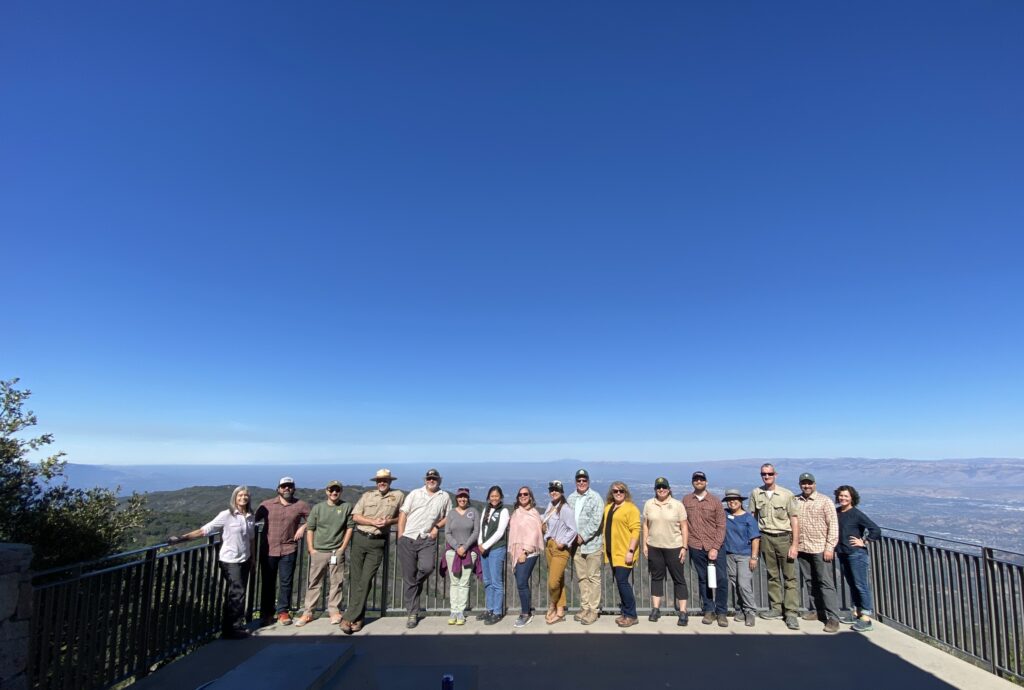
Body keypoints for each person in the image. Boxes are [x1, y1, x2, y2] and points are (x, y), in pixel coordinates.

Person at [169, 486, 255, 639]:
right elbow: (205, 530)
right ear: (234, 498)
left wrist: (253, 558)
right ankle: (231, 629)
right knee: (237, 593)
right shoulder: (227, 515)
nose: (243, 498)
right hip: (230, 560)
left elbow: (251, 539)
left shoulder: (250, 516)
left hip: (245, 559)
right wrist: (182, 538)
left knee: (237, 593)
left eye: (246, 495)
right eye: (240, 495)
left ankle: (233, 626)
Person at [341, 468, 405, 634]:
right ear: (376, 482)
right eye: (379, 480)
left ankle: (348, 617)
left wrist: (389, 521)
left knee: (366, 579)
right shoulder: (367, 495)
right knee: (355, 580)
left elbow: (404, 516)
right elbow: (355, 516)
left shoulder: (398, 496)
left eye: (385, 480)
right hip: (360, 538)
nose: (382, 483)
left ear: (390, 481)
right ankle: (359, 618)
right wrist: (372, 522)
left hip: (378, 542)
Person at [748, 463, 802, 630]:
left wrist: (794, 544)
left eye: (770, 473)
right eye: (764, 474)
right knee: (772, 575)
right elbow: (752, 517)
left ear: (775, 474)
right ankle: (776, 608)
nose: (767, 476)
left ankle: (791, 613)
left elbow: (794, 520)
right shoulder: (756, 493)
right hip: (765, 538)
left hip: (783, 538)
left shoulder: (786, 494)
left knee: (789, 577)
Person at [397, 468, 452, 628]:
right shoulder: (414, 494)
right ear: (425, 480)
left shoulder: (445, 496)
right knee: (408, 576)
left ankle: (413, 584)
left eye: (434, 478)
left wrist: (436, 527)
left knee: (427, 567)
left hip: (427, 538)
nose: (431, 480)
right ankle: (412, 613)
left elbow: (448, 516)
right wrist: (400, 535)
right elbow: (403, 513)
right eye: (429, 478)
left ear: (439, 480)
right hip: (408, 538)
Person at [295, 480, 354, 627]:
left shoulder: (346, 507)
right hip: (319, 551)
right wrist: (311, 549)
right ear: (326, 491)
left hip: (336, 551)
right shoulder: (318, 508)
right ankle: (308, 613)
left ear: (340, 491)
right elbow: (310, 528)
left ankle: (334, 612)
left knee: (337, 582)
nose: (334, 493)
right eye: (331, 490)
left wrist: (342, 547)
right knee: (314, 582)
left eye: (337, 490)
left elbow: (350, 528)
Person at [255, 476, 310, 626]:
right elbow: (250, 520)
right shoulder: (266, 505)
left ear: (294, 488)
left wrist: (303, 527)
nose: (287, 488)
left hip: (289, 548)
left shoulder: (301, 505)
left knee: (286, 582)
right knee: (268, 582)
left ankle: (283, 612)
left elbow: (313, 519)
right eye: (284, 486)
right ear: (278, 489)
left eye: (290, 486)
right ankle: (266, 613)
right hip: (268, 549)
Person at [795, 472, 841, 633]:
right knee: (809, 581)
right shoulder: (796, 501)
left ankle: (833, 618)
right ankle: (817, 610)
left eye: (809, 483)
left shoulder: (825, 501)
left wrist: (830, 547)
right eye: (803, 483)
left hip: (820, 548)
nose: (806, 486)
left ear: (814, 484)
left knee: (826, 583)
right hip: (803, 547)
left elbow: (833, 526)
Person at [642, 477, 689, 626]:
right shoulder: (649, 504)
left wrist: (684, 547)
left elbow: (684, 527)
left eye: (664, 487)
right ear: (655, 489)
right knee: (656, 578)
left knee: (679, 579)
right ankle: (655, 609)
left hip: (674, 546)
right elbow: (646, 525)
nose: (661, 490)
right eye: (658, 487)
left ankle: (683, 611)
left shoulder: (677, 505)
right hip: (654, 546)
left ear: (669, 489)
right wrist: (645, 544)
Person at [683, 471, 728, 626]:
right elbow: (683, 523)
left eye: (701, 479)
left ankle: (722, 612)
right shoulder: (686, 500)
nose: (699, 481)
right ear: (692, 482)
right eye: (696, 479)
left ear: (706, 482)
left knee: (721, 579)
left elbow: (721, 526)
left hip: (715, 546)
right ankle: (708, 610)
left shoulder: (715, 501)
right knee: (703, 579)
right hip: (696, 545)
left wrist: (715, 547)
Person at [835, 485, 881, 632]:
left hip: (856, 554)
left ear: (852, 498)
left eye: (846, 496)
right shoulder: (837, 512)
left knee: (861, 585)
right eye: (841, 496)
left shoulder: (856, 514)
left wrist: (865, 541)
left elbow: (875, 529)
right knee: (853, 584)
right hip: (842, 552)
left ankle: (866, 617)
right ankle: (857, 612)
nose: (843, 498)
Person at [567, 468, 603, 625]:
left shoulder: (595, 498)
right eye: (579, 480)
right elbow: (567, 519)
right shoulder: (571, 498)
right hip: (576, 546)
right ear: (575, 482)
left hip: (592, 545)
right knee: (582, 578)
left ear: (588, 481)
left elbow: (596, 521)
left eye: (584, 480)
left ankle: (594, 610)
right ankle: (585, 607)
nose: (581, 482)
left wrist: (583, 536)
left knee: (593, 577)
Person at [603, 481, 642, 627]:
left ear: (626, 493)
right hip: (612, 552)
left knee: (622, 582)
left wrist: (631, 551)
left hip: (625, 552)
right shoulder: (608, 508)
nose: (618, 493)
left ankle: (632, 615)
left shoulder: (631, 508)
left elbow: (636, 531)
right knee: (620, 583)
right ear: (611, 493)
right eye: (615, 491)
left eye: (621, 491)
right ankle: (626, 612)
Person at [722, 489, 760, 627]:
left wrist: (754, 557)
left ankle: (750, 611)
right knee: (735, 583)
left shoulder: (748, 518)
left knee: (744, 584)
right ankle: (740, 609)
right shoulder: (725, 514)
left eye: (734, 499)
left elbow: (755, 538)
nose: (732, 502)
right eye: (729, 500)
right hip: (729, 554)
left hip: (745, 555)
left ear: (740, 501)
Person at [508, 486, 545, 628]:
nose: (523, 496)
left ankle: (525, 613)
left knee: (522, 582)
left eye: (526, 494)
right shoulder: (516, 513)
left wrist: (525, 552)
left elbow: (535, 534)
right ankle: (526, 610)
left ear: (530, 496)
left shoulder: (533, 513)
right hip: (517, 552)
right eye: (520, 494)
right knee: (520, 582)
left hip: (528, 552)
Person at [541, 480, 577, 624]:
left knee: (553, 582)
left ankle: (552, 605)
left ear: (561, 492)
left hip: (560, 549)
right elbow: (544, 519)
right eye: (551, 490)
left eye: (556, 490)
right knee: (559, 580)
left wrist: (564, 542)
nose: (553, 492)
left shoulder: (565, 509)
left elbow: (573, 529)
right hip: (549, 546)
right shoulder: (551, 505)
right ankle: (560, 611)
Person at [443, 487, 480, 625]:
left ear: (468, 498)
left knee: (464, 583)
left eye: (464, 497)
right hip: (452, 552)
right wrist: (457, 547)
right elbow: (447, 533)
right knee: (454, 582)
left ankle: (460, 611)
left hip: (469, 552)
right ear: (456, 498)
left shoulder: (473, 512)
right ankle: (453, 610)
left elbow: (476, 532)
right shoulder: (451, 513)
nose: (462, 499)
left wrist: (464, 547)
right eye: (460, 497)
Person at [477, 485, 510, 624]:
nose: (494, 498)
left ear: (500, 497)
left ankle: (497, 612)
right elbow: (481, 529)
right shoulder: (486, 509)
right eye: (492, 496)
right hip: (484, 549)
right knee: (487, 581)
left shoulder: (504, 511)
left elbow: (500, 532)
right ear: (488, 497)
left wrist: (485, 545)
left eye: (496, 496)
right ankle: (489, 609)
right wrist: (480, 543)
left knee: (496, 582)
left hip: (496, 549)